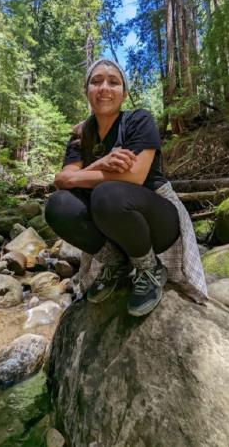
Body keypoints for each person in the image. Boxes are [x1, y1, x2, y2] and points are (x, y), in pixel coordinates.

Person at [45, 59, 207, 317]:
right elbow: (62, 180)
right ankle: (116, 264)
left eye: (113, 82)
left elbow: (134, 176)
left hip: (156, 221)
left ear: (124, 92)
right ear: (87, 90)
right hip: (110, 226)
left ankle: (148, 268)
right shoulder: (80, 136)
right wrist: (101, 163)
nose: (104, 88)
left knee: (108, 193)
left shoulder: (138, 121)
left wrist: (79, 176)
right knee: (58, 205)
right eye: (96, 81)